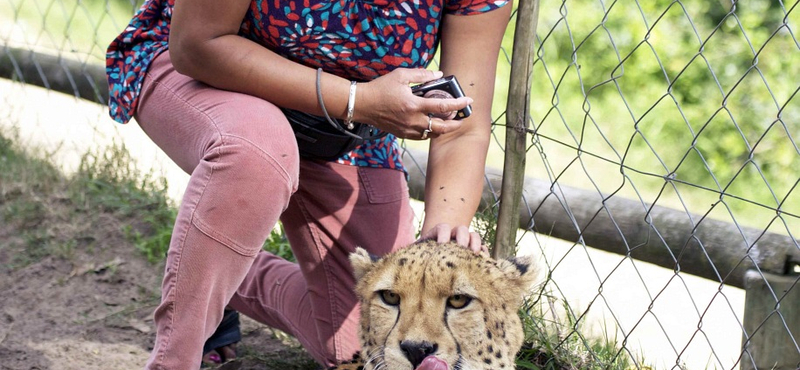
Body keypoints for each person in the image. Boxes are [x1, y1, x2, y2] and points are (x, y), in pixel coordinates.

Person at [105, 0, 511, 367]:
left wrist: (440, 237)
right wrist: (358, 100)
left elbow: (461, 126)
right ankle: (175, 360)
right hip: (211, 79)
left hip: (348, 134)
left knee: (371, 346)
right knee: (257, 153)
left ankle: (224, 271)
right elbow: (198, 43)